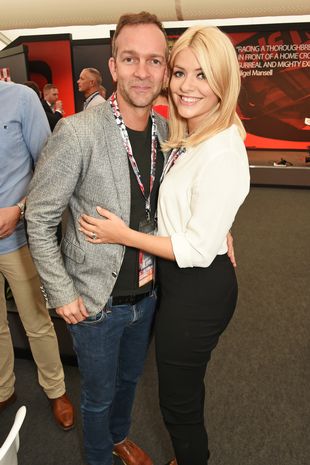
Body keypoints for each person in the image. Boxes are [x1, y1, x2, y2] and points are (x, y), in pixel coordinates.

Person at [77, 26, 250, 465]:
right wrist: (218, 228)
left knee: (178, 405)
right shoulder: (195, 131)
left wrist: (123, 235)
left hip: (196, 289)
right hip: (181, 281)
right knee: (185, 388)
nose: (187, 86)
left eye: (203, 75)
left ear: (224, 82)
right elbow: (193, 203)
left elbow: (194, 248)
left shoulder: (222, 148)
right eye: (180, 72)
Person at [26, 11, 169, 465]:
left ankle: (119, 437)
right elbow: (40, 218)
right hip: (94, 304)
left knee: (129, 384)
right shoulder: (78, 132)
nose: (142, 72)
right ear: (113, 67)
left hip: (145, 295)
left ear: (165, 69)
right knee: (98, 397)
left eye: (154, 61)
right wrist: (62, 292)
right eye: (130, 59)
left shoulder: (165, 131)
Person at [0, 80, 74, 430]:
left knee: (36, 321)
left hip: (16, 239)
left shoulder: (21, 99)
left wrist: (19, 207)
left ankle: (56, 390)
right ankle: (3, 389)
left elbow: (48, 167)